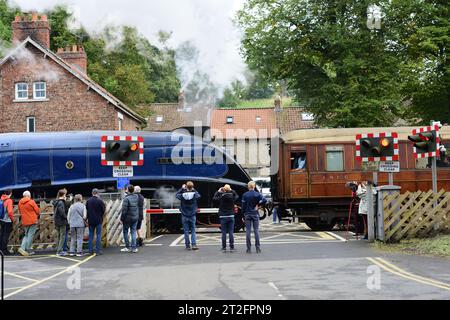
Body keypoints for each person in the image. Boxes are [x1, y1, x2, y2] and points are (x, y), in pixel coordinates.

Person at [242, 181, 267, 254]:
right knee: (256, 231)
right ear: (254, 186)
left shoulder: (245, 195)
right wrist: (258, 204)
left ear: (248, 186)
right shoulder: (257, 194)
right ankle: (258, 248)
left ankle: (248, 248)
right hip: (255, 214)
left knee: (248, 231)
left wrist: (242, 215)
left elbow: (243, 206)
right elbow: (265, 200)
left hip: (247, 214)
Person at [213, 185, 239, 253]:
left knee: (223, 233)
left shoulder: (221, 196)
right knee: (231, 232)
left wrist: (218, 192)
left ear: (223, 190)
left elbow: (214, 198)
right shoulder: (232, 196)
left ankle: (224, 248)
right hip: (231, 216)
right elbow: (237, 196)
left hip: (223, 216)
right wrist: (231, 190)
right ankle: (232, 248)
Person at [176, 181, 201, 251]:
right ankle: (194, 244)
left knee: (186, 231)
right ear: (192, 187)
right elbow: (199, 195)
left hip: (184, 214)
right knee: (193, 230)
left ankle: (187, 246)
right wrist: (193, 189)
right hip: (192, 214)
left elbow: (177, 195)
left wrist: (182, 189)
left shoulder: (182, 194)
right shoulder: (194, 194)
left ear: (186, 186)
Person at [18, 191, 41, 256]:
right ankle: (28, 250)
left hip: (25, 221)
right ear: (29, 195)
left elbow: (20, 211)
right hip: (33, 221)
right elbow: (37, 211)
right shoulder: (31, 202)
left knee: (26, 235)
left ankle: (22, 248)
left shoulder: (20, 202)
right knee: (30, 235)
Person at [120, 185, 140, 253]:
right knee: (133, 232)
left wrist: (122, 219)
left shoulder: (126, 199)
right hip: (135, 217)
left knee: (125, 232)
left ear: (128, 190)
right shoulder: (136, 197)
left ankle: (127, 247)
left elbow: (124, 210)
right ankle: (134, 248)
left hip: (127, 219)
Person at [86, 188, 106, 255]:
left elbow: (87, 209)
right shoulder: (100, 201)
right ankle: (98, 251)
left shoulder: (88, 201)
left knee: (91, 235)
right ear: (97, 193)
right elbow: (103, 210)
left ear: (92, 193)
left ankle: (90, 251)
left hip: (91, 220)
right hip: (98, 220)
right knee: (98, 235)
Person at [53, 189, 68, 256]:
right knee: (62, 236)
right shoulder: (61, 202)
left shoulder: (56, 202)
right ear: (64, 195)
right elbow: (61, 212)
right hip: (62, 221)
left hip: (57, 221)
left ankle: (58, 249)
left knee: (59, 236)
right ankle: (59, 251)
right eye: (65, 195)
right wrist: (66, 217)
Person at [0, 190, 14, 256]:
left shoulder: (1, 199)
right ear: (10, 193)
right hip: (7, 220)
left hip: (1, 219)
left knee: (2, 234)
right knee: (6, 235)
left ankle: (1, 250)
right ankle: (4, 250)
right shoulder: (9, 200)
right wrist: (12, 219)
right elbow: (10, 212)